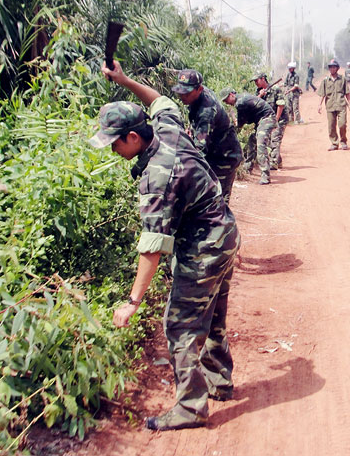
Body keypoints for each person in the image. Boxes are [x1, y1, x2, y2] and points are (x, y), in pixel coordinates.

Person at [91, 61, 240, 430]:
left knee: (180, 325)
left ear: (133, 138)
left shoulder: (157, 178)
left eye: (114, 144)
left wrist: (132, 302)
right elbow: (159, 100)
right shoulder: (166, 128)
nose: (112, 152)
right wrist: (124, 80)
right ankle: (220, 382)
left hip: (204, 247)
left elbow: (152, 249)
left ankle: (191, 408)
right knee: (214, 313)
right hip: (225, 233)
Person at [170, 69, 243, 203]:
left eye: (186, 92)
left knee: (218, 201)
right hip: (212, 152)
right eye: (180, 91)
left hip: (225, 158)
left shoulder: (207, 111)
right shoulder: (198, 96)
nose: (182, 96)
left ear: (199, 89)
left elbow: (199, 151)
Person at [219, 87, 275, 185]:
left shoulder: (240, 102)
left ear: (231, 95)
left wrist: (233, 124)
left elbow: (241, 123)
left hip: (267, 118)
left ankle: (265, 175)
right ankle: (248, 167)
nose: (226, 102)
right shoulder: (241, 99)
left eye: (226, 99)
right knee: (251, 141)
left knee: (261, 143)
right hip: (261, 120)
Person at [252, 72, 287, 169]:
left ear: (263, 79)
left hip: (280, 118)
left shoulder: (275, 89)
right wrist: (260, 95)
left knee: (275, 138)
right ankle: (278, 159)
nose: (255, 83)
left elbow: (280, 105)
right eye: (254, 81)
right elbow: (253, 104)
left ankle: (274, 162)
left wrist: (276, 120)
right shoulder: (258, 91)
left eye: (257, 80)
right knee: (268, 140)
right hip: (268, 119)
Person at [317, 59, 350, 151]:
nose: (332, 69)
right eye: (330, 67)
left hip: (341, 105)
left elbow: (347, 94)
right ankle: (334, 143)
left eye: (334, 67)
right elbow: (322, 94)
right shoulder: (325, 81)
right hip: (330, 106)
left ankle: (343, 142)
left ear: (337, 68)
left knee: (342, 124)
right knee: (331, 126)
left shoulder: (343, 79)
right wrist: (319, 105)